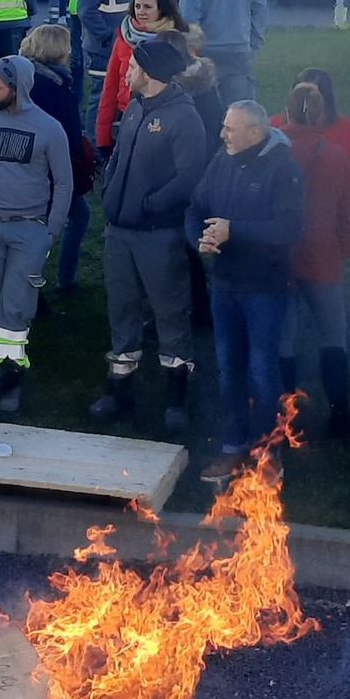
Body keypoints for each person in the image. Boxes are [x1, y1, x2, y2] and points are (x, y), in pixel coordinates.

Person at [93, 38, 211, 434]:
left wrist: (150, 205)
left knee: (170, 311)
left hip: (158, 235)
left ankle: (177, 398)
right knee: (121, 310)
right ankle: (119, 391)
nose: (126, 70)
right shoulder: (136, 109)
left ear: (149, 72)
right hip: (119, 233)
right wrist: (111, 193)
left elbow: (190, 177)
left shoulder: (183, 118)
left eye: (132, 65)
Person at [191, 101, 303, 473]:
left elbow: (288, 228)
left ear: (255, 132)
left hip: (264, 288)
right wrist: (201, 240)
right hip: (224, 285)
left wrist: (233, 230)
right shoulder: (222, 160)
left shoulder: (282, 168)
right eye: (224, 127)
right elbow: (195, 207)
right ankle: (233, 444)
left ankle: (268, 452)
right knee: (228, 367)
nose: (222, 134)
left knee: (261, 369)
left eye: (230, 128)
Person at [0, 53, 69, 416]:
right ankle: (8, 377)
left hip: (29, 230)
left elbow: (64, 183)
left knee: (16, 306)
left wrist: (50, 231)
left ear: (17, 88)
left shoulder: (49, 128)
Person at [272, 74, 350, 439]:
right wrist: (342, 247)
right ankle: (339, 413)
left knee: (284, 339)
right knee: (333, 336)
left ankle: (285, 419)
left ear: (285, 112)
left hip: (281, 257)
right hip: (323, 257)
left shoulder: (273, 151)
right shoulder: (337, 155)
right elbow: (347, 210)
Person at [18, 24, 95, 296]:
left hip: (27, 168)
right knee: (71, 219)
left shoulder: (26, 80)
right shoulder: (54, 86)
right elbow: (69, 133)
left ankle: (43, 283)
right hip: (52, 170)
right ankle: (55, 281)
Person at [91, 0, 187, 151]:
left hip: (160, 118)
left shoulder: (174, 39)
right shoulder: (123, 37)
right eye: (138, 6)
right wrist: (103, 137)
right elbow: (111, 86)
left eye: (148, 7)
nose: (141, 12)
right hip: (125, 114)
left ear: (161, 8)